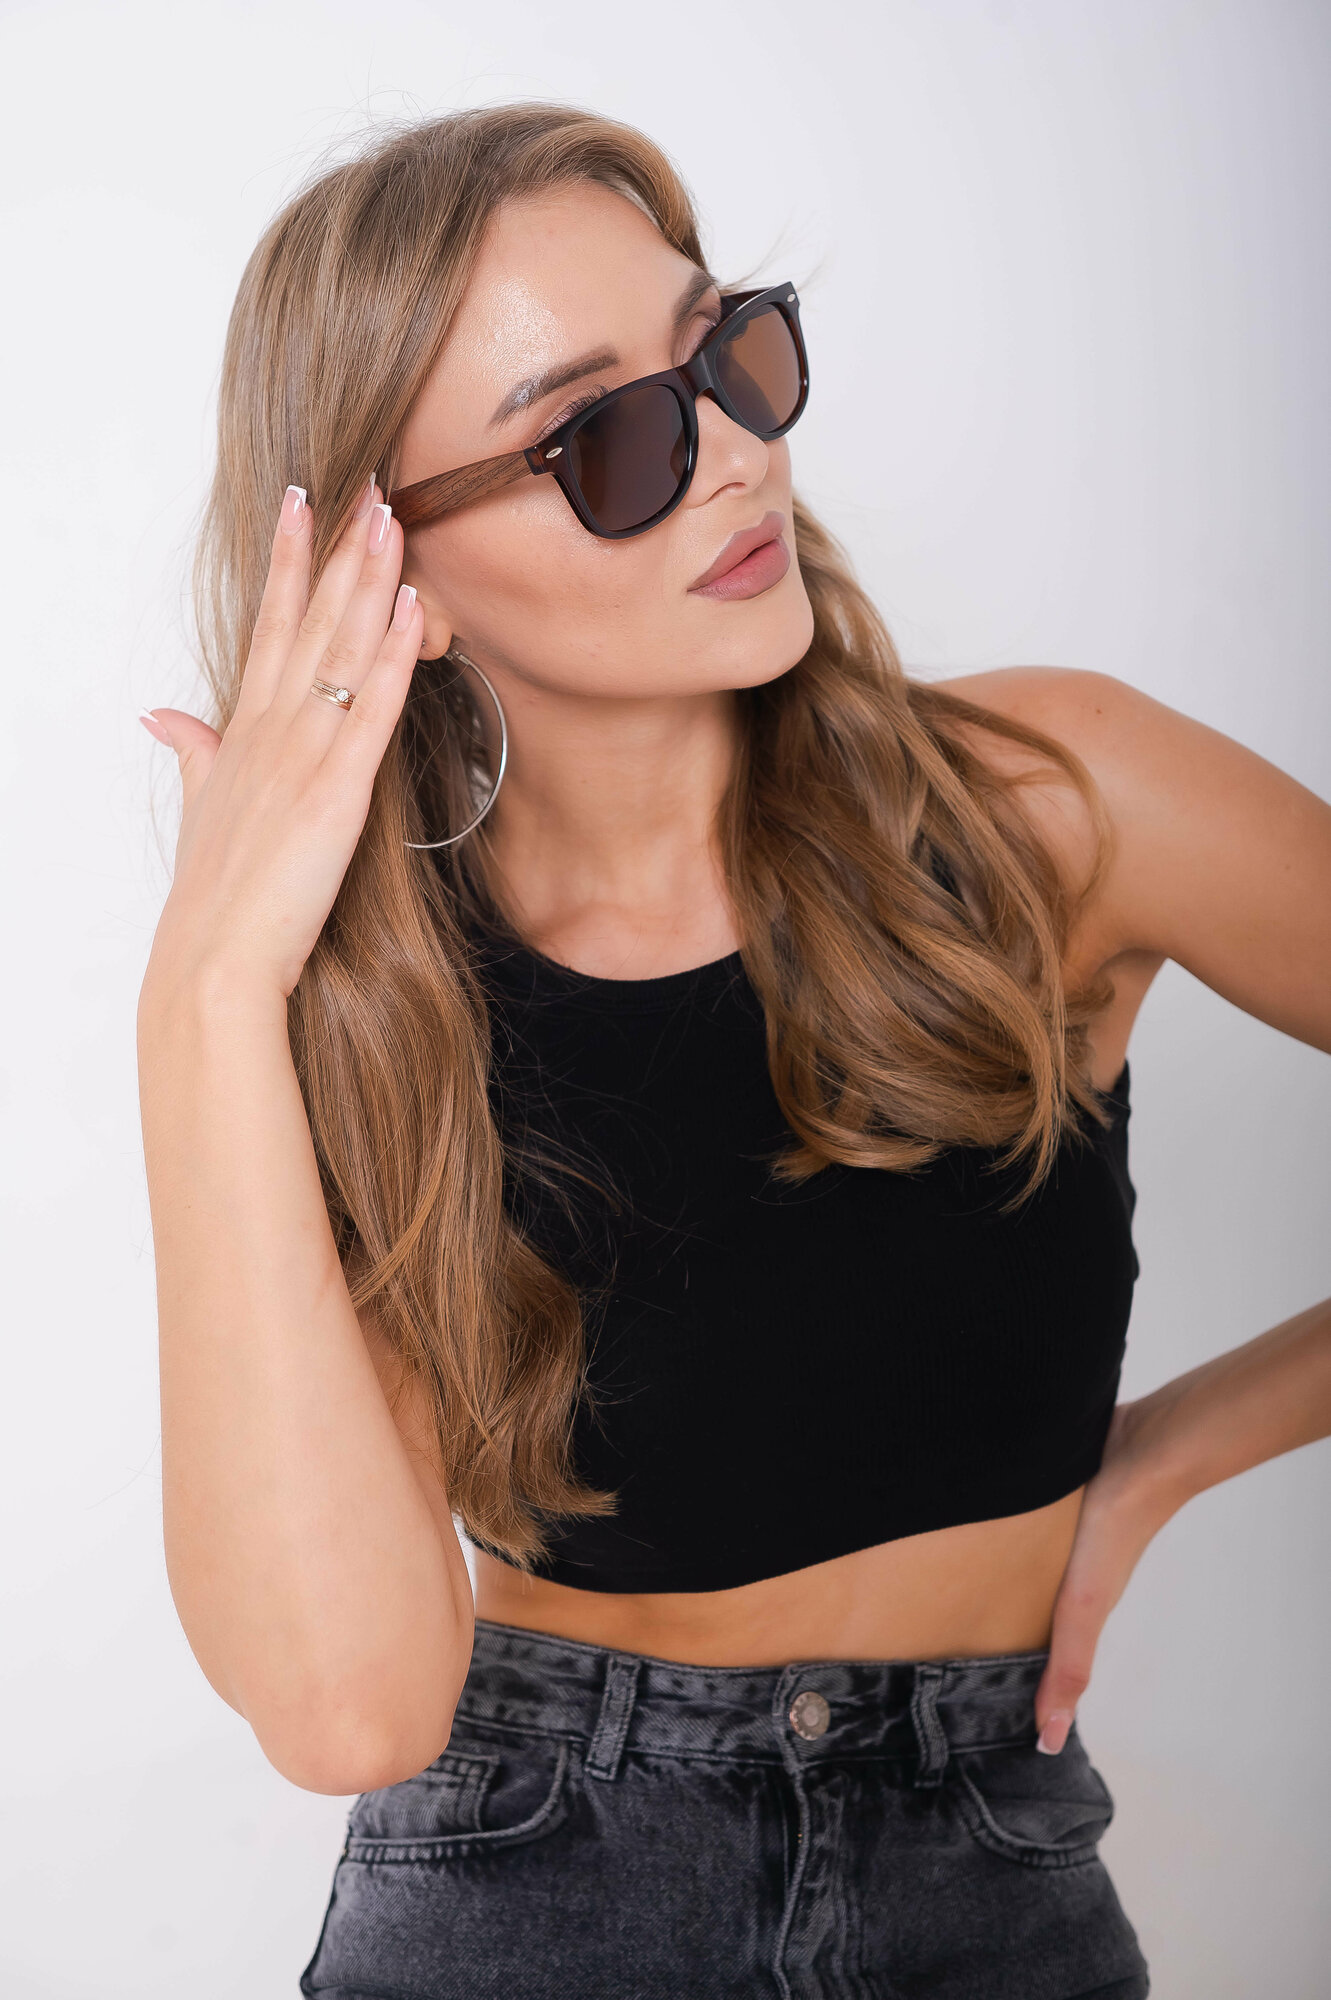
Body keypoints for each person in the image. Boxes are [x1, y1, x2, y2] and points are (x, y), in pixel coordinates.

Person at [135, 103, 1331, 2000]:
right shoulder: (371, 1011)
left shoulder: (1053, 805)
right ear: (390, 573)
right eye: (611, 438)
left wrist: (1173, 1449)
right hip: (529, 1875)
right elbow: (353, 1709)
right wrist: (203, 993)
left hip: (993, 1865)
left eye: (731, 356)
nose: (737, 454)